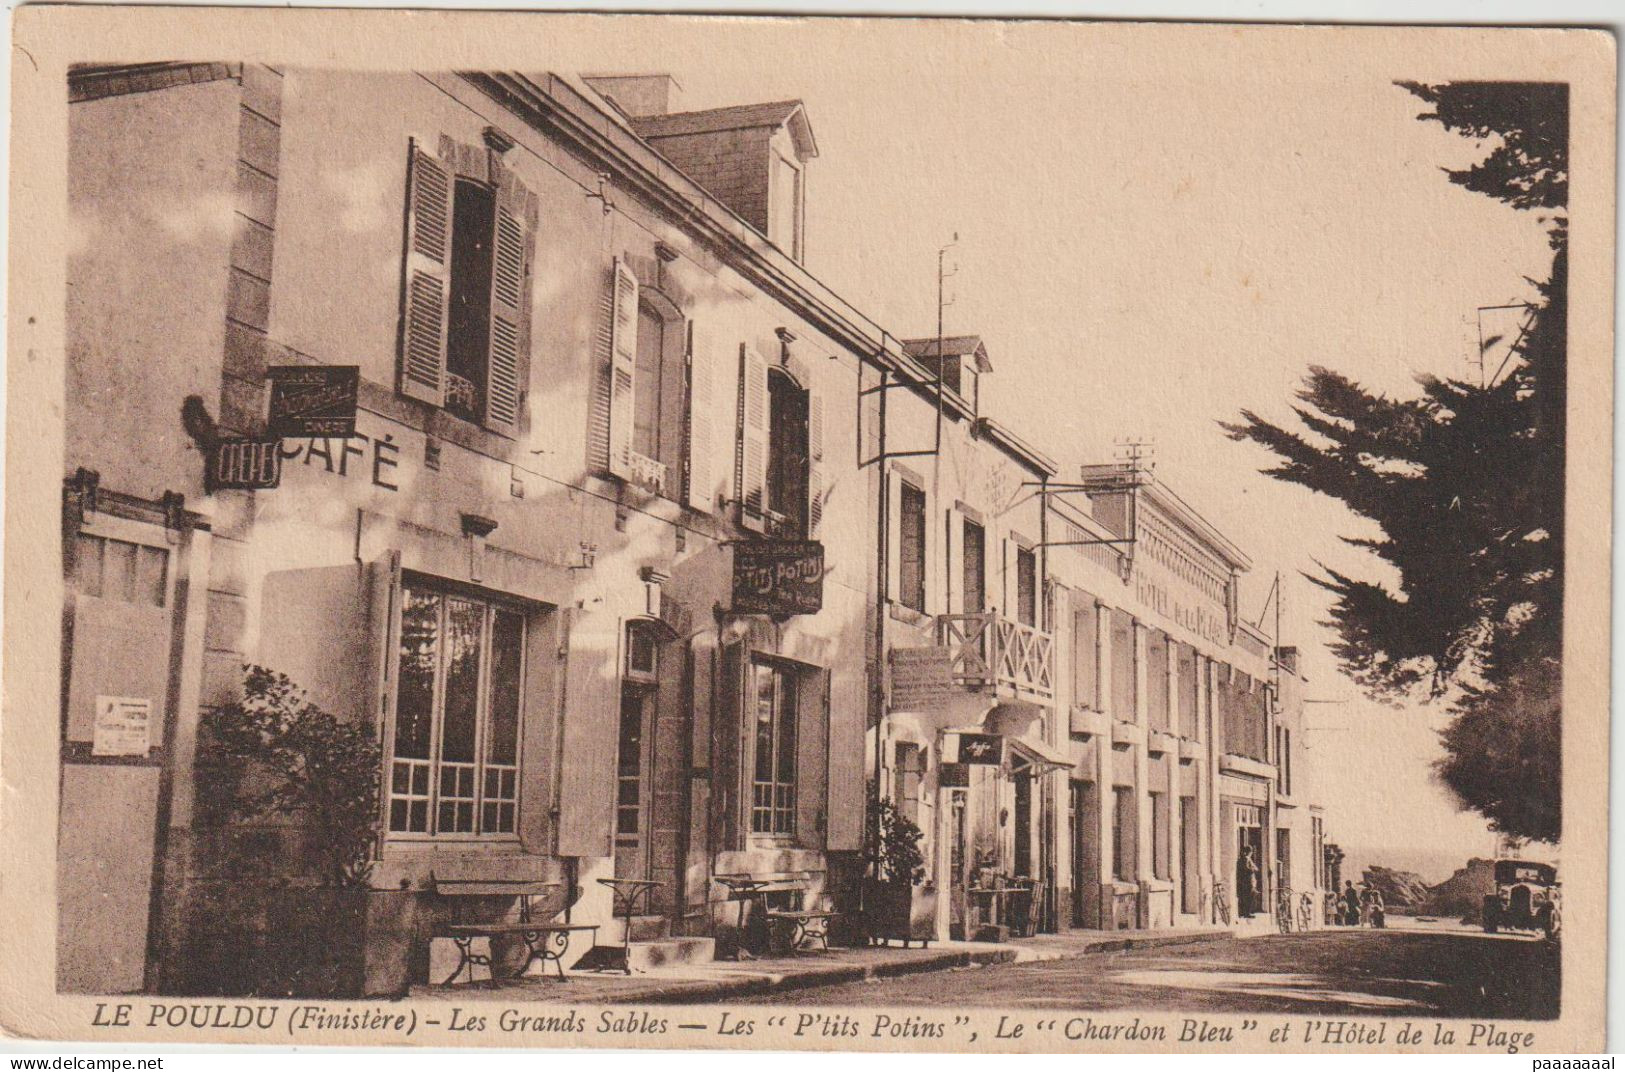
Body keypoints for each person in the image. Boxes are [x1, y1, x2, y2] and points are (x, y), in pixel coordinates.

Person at [1238, 846, 1261, 917]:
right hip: (1248, 881)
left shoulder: (1244, 859)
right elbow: (1248, 869)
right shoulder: (1246, 859)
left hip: (1246, 881)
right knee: (1249, 897)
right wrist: (1253, 869)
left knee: (1246, 897)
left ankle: (1245, 912)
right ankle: (1247, 913)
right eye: (1251, 852)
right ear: (1249, 852)